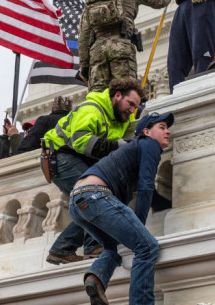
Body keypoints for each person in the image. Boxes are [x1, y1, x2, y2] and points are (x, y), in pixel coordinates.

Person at [69, 112, 174, 305]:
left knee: (114, 247)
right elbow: (146, 187)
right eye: (162, 127)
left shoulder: (134, 149)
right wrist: (140, 228)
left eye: (168, 128)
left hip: (77, 202)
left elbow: (149, 195)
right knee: (146, 247)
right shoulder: (148, 144)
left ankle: (97, 277)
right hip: (96, 195)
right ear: (146, 131)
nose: (168, 132)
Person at [42, 78, 144, 265]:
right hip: (61, 158)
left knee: (101, 199)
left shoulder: (120, 117)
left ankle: (66, 249)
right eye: (130, 104)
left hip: (76, 159)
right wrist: (118, 146)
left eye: (135, 107)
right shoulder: (93, 108)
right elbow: (81, 141)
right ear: (117, 95)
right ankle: (82, 247)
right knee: (95, 197)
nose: (131, 110)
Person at [78, 0, 174, 93]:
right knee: (124, 93)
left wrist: (84, 65)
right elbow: (159, 1)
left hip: (97, 52)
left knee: (98, 96)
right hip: (121, 46)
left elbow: (84, 34)